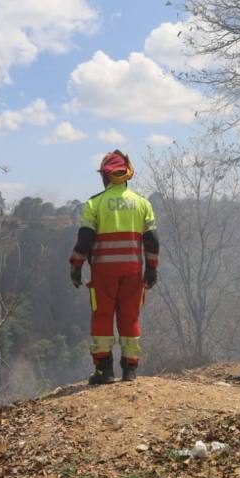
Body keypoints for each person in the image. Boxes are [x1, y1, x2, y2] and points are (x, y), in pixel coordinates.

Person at [69, 150, 160, 385]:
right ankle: (130, 370)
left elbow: (85, 240)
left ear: (105, 177)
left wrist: (76, 266)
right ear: (126, 176)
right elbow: (152, 242)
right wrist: (151, 270)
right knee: (130, 317)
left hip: (103, 276)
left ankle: (104, 371)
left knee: (102, 317)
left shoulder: (94, 204)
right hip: (132, 273)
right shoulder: (143, 204)